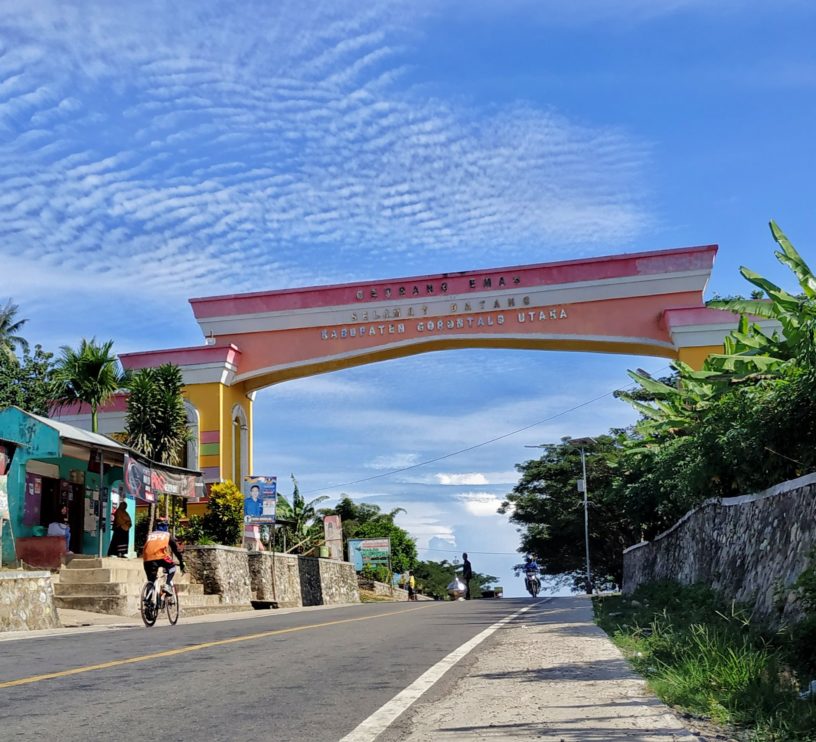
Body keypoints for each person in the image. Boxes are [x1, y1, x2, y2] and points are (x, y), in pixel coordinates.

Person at [142, 517, 185, 597]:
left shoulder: (150, 535)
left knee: (151, 580)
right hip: (161, 556)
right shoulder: (167, 535)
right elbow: (176, 550)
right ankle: (167, 585)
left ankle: (148, 603)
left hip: (147, 559)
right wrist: (181, 562)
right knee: (172, 568)